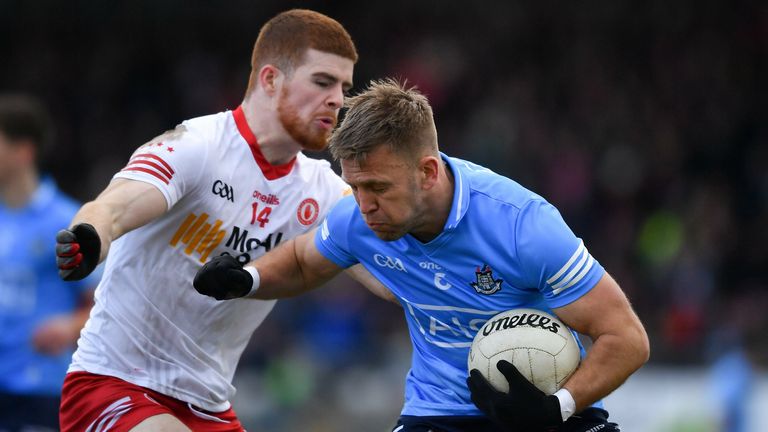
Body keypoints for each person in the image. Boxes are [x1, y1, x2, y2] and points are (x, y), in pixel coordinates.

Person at [194, 79, 651, 432]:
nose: (364, 203)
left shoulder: (522, 225)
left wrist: (556, 406)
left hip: (549, 407)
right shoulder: (358, 216)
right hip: (440, 415)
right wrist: (247, 279)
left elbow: (627, 338)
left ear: (428, 171)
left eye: (378, 187)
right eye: (354, 186)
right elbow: (302, 261)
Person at [54, 9, 384, 432]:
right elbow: (113, 207)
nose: (338, 99)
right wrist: (89, 237)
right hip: (113, 385)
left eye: (343, 87)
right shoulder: (199, 145)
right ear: (270, 80)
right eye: (322, 82)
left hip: (207, 408)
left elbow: (390, 270)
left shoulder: (322, 191)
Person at [0, 95, 98, 431]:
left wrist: (69, 327)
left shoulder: (67, 221)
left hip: (39, 389)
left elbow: (105, 306)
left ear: (23, 151)